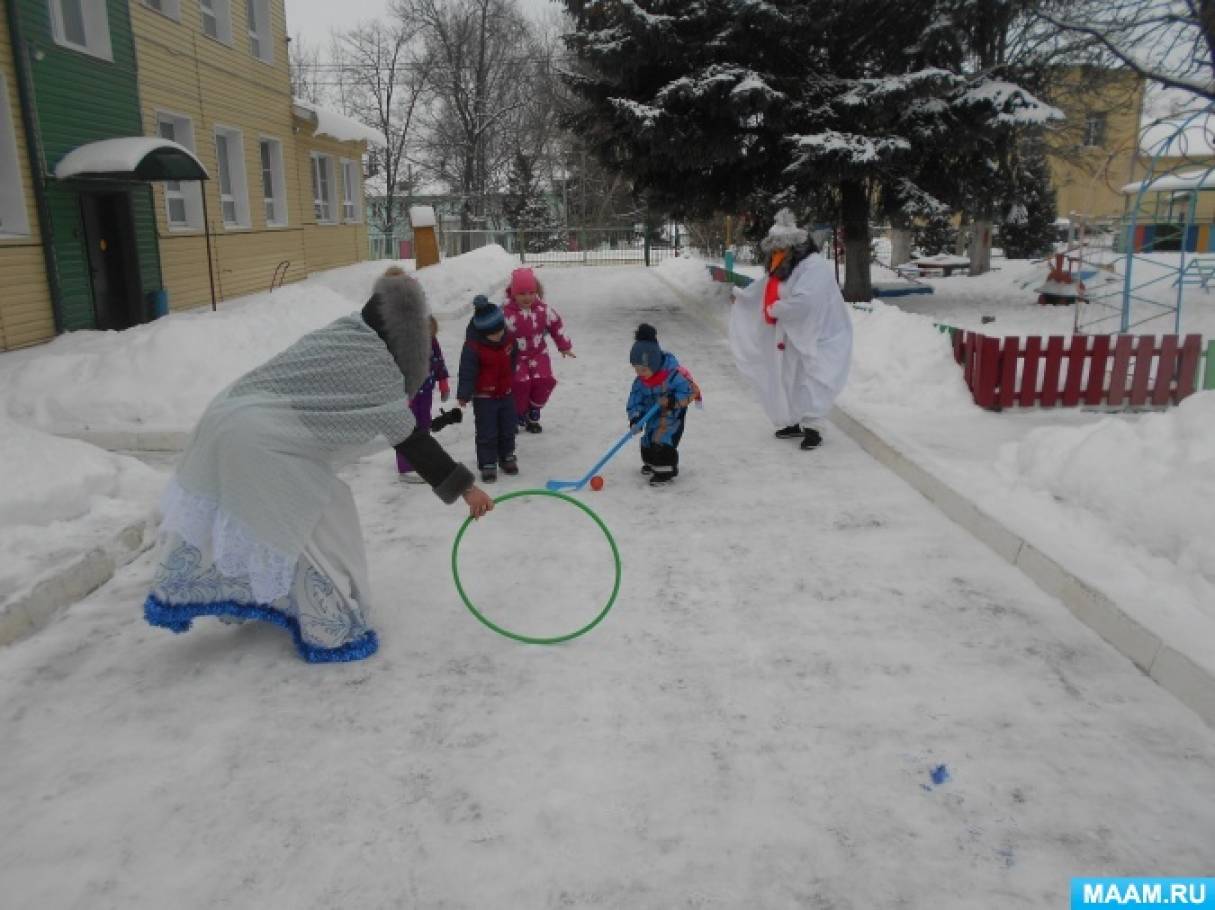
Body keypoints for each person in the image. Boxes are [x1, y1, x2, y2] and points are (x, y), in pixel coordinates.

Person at [143, 273, 494, 663]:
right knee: (312, 524)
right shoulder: (376, 370)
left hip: (228, 417)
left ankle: (258, 594)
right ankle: (329, 628)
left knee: (258, 518)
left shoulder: (347, 332)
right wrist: (466, 489)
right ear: (407, 344)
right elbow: (413, 440)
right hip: (261, 442)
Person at [728, 208, 853, 450]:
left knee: (813, 378)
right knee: (790, 377)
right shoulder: (786, 265)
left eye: (778, 249)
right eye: (772, 250)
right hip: (794, 333)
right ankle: (794, 420)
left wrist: (775, 310)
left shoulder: (812, 267)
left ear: (792, 247)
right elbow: (767, 287)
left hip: (820, 335)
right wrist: (744, 299)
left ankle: (814, 426)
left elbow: (805, 303)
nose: (774, 255)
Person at [502, 267, 574, 433]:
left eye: (531, 292)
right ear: (513, 293)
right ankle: (517, 414)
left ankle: (533, 411)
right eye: (522, 293)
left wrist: (564, 345)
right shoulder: (505, 312)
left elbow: (556, 324)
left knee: (544, 380)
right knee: (520, 383)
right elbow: (495, 333)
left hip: (538, 353)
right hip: (515, 356)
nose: (527, 297)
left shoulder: (543, 309)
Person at [457, 295, 518, 483]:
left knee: (508, 428)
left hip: (506, 394)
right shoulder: (473, 347)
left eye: (501, 330)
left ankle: (507, 456)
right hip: (485, 398)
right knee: (487, 432)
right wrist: (464, 394)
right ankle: (488, 463)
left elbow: (514, 357)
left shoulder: (508, 339)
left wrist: (511, 377)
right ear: (483, 333)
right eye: (493, 334)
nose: (498, 335)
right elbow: (467, 371)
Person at [627, 323, 696, 486]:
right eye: (635, 369)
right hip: (651, 416)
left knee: (661, 440)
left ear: (654, 364)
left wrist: (671, 401)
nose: (639, 374)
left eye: (642, 370)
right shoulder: (641, 381)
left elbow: (690, 392)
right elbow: (635, 399)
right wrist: (636, 418)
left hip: (671, 417)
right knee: (647, 441)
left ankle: (665, 471)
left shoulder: (673, 375)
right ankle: (652, 464)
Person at [396, 314, 452, 483]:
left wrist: (443, 383)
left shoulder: (432, 341)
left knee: (424, 425)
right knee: (406, 430)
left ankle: (422, 463)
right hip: (407, 396)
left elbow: (439, 362)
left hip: (426, 392)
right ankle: (406, 468)